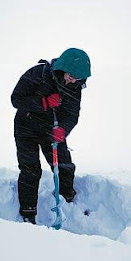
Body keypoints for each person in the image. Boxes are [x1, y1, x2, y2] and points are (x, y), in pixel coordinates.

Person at [10, 48, 91, 224]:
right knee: (31, 170)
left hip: (51, 130)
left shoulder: (75, 86)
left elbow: (72, 114)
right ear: (62, 67)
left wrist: (62, 130)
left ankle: (66, 200)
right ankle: (28, 213)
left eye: (77, 78)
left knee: (64, 165)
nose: (72, 80)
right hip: (26, 127)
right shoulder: (38, 74)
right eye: (70, 75)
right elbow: (16, 99)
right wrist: (43, 103)